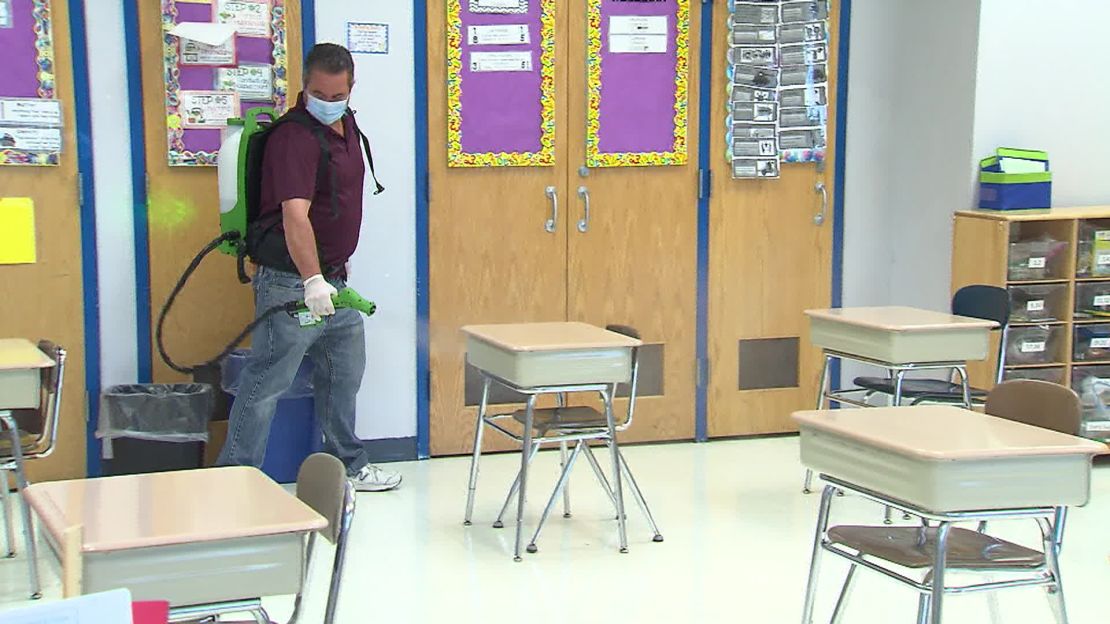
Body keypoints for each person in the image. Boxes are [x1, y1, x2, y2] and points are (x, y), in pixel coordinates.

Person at [217, 43, 401, 491]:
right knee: (267, 381)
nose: (329, 102)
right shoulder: (293, 138)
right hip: (291, 283)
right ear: (304, 85)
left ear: (351, 88)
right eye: (320, 93)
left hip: (333, 280)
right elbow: (294, 215)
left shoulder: (347, 125)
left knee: (344, 371)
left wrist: (333, 268)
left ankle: (348, 465)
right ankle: (233, 480)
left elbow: (334, 203)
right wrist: (312, 279)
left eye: (338, 95)